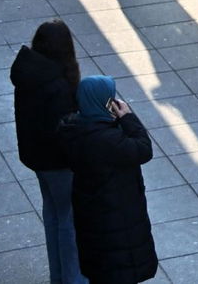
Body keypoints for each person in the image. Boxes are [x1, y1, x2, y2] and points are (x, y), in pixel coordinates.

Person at [55, 75, 158, 284]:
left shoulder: (75, 130)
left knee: (101, 272)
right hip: (116, 223)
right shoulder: (108, 140)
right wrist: (127, 117)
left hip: (93, 218)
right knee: (118, 274)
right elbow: (143, 149)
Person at [11, 19, 87, 284]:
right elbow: (66, 130)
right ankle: (72, 278)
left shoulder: (28, 70)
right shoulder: (59, 85)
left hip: (37, 157)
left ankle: (59, 277)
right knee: (69, 220)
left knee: (53, 213)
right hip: (59, 162)